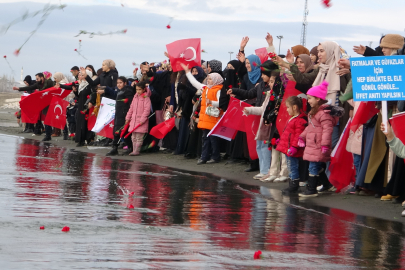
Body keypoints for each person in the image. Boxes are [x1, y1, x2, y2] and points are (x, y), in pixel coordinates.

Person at [298, 81, 339, 197]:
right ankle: (327, 185)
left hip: (318, 144)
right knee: (317, 165)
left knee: (313, 166)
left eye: (310, 98)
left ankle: (311, 189)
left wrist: (325, 144)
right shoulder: (314, 113)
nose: (308, 101)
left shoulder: (324, 114)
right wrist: (302, 137)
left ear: (318, 99)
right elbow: (310, 128)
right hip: (313, 143)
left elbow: (327, 130)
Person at [242, 61, 278, 180]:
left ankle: (267, 170)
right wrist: (250, 110)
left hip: (269, 122)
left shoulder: (275, 93)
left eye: (264, 74)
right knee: (259, 146)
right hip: (263, 121)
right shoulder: (266, 90)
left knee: (265, 146)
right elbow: (263, 108)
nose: (262, 77)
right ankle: (263, 170)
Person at [181, 63, 224, 165]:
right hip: (206, 118)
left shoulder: (218, 90)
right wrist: (187, 72)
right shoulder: (206, 88)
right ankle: (204, 157)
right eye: (208, 79)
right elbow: (194, 83)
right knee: (205, 138)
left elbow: (220, 102)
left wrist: (211, 102)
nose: (208, 81)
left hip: (213, 117)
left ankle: (215, 157)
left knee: (213, 139)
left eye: (210, 79)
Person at [275, 96, 307, 194]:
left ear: (294, 107)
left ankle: (294, 185)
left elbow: (298, 136)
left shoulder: (299, 121)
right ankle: (293, 184)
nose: (287, 109)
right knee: (290, 166)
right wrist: (281, 141)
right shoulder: (294, 119)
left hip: (292, 149)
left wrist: (294, 147)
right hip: (289, 148)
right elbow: (288, 134)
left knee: (292, 167)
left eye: (288, 107)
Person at [13, 72, 54, 140]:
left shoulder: (48, 82)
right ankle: (47, 135)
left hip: (51, 103)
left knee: (49, 119)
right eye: (36, 79)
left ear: (42, 77)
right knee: (46, 119)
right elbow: (30, 87)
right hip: (44, 104)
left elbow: (56, 86)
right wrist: (18, 88)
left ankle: (49, 135)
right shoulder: (38, 84)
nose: (36, 80)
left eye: (37, 78)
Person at [106, 76, 135, 156]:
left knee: (124, 131)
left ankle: (130, 147)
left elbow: (130, 104)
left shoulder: (128, 91)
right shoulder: (120, 91)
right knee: (116, 130)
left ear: (125, 83)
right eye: (117, 83)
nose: (118, 85)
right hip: (118, 114)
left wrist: (128, 114)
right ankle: (115, 147)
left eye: (120, 83)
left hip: (124, 114)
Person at [125, 81, 152, 156]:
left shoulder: (146, 97)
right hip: (133, 120)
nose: (138, 91)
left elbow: (147, 110)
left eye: (140, 89)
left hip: (141, 121)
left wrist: (143, 119)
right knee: (133, 137)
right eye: (137, 89)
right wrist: (128, 117)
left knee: (139, 137)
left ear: (144, 89)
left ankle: (137, 151)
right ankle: (134, 150)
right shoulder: (135, 97)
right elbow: (131, 108)